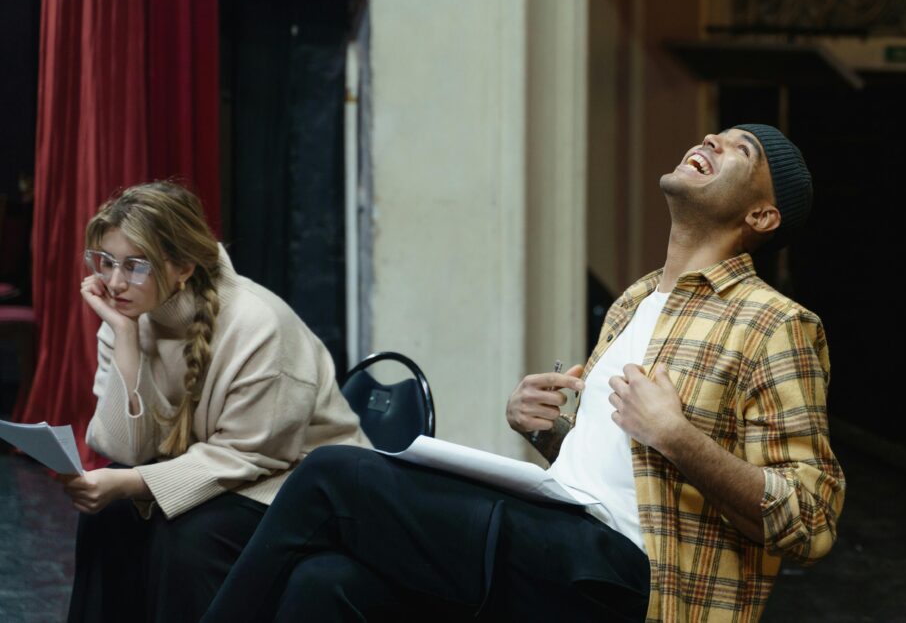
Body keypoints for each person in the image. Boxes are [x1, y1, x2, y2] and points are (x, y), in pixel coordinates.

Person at [201, 124, 845, 622]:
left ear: (760, 217)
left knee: (330, 473)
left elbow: (812, 521)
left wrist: (678, 436)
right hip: (561, 537)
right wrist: (545, 433)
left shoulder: (776, 323)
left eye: (741, 151)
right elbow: (620, 468)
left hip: (631, 577)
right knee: (327, 587)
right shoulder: (636, 300)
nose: (712, 140)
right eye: (717, 133)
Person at [61, 181, 371, 623]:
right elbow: (125, 450)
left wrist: (133, 484)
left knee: (188, 537)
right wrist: (125, 339)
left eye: (135, 265)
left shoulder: (259, 323)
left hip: (301, 487)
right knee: (109, 516)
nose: (114, 282)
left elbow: (249, 455)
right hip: (220, 471)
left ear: (182, 267)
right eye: (106, 262)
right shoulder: (126, 315)